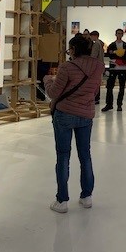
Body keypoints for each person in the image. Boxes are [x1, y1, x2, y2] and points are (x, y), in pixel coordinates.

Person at [44, 33, 105, 213]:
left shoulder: (67, 67)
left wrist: (47, 80)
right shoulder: (98, 66)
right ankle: (87, 197)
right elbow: (94, 92)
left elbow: (54, 93)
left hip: (65, 115)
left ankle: (62, 200)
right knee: (85, 155)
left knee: (63, 157)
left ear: (74, 49)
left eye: (70, 49)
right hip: (86, 115)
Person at [102, 28, 126, 112]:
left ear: (122, 34)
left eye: (121, 33)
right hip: (113, 67)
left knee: (122, 86)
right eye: (118, 33)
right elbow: (109, 54)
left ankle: (119, 105)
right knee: (109, 86)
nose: (119, 35)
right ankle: (109, 104)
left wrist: (114, 52)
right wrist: (118, 53)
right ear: (116, 34)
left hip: (122, 67)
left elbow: (125, 55)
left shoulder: (125, 45)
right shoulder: (111, 44)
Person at [89, 30, 105, 104]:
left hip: (95, 65)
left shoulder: (96, 44)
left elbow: (94, 56)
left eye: (91, 36)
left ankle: (95, 98)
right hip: (100, 65)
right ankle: (97, 98)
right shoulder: (100, 43)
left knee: (95, 82)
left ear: (95, 36)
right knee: (97, 82)